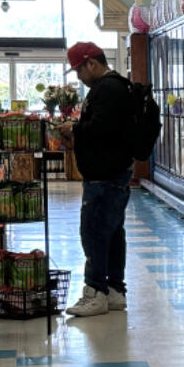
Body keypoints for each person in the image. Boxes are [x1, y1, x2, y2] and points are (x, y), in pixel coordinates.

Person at [59, 42, 135, 317]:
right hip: (114, 172)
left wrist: (74, 128)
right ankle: (115, 290)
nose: (79, 76)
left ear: (91, 63)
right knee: (112, 232)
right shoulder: (115, 87)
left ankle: (95, 292)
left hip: (105, 176)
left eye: (79, 70)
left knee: (93, 233)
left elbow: (103, 129)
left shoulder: (107, 89)